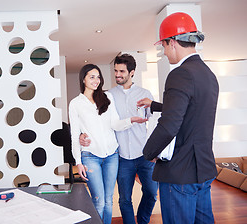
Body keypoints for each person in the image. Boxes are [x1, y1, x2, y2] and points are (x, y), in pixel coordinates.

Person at [138, 12, 219, 224]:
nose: (164, 53)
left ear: (172, 42)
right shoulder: (208, 75)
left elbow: (169, 125)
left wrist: (148, 153)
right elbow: (190, 111)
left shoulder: (179, 74)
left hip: (180, 173)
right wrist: (154, 105)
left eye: (163, 46)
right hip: (203, 168)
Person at [80, 54, 158, 224]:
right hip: (121, 156)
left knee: (152, 192)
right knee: (124, 199)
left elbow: (153, 124)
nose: (117, 75)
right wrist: (81, 135)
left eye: (122, 71)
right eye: (115, 71)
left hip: (144, 154)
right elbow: (96, 122)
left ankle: (143, 221)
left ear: (132, 72)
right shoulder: (108, 96)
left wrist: (155, 150)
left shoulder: (145, 94)